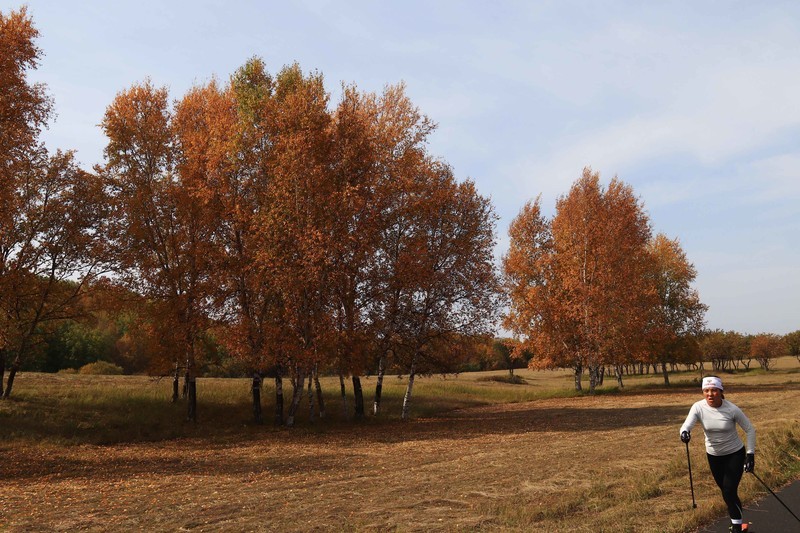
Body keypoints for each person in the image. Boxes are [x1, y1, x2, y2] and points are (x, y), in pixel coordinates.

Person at [680, 376, 756, 533]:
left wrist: (750, 455)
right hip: (713, 455)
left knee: (729, 490)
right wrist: (684, 432)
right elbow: (686, 425)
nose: (710, 394)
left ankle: (736, 527)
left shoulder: (731, 409)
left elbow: (750, 429)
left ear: (721, 392)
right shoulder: (698, 407)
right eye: (706, 391)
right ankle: (736, 521)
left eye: (714, 390)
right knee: (727, 491)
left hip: (735, 453)